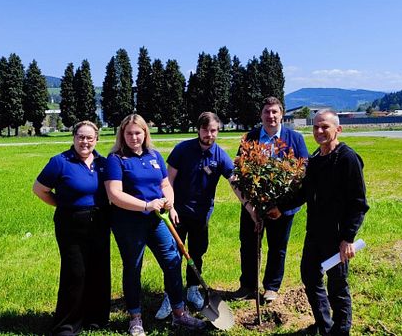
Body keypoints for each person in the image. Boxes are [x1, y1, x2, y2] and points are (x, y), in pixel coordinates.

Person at [104, 114, 206, 335]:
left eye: (138, 132)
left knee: (172, 260)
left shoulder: (154, 155)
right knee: (133, 267)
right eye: (129, 133)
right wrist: (145, 205)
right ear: (122, 134)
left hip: (157, 220)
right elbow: (114, 194)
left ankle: (179, 314)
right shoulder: (116, 159)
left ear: (145, 133)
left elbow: (165, 183)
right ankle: (135, 318)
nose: (134, 137)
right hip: (129, 222)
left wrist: (169, 200)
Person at [276, 109, 369, 335]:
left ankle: (340, 330)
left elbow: (358, 203)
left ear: (338, 129)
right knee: (309, 275)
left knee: (337, 286)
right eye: (316, 126)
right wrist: (279, 208)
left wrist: (348, 238)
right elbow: (304, 194)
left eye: (325, 126)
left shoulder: (348, 159)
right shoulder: (316, 159)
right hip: (315, 233)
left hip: (337, 237)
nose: (319, 131)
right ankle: (324, 325)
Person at [32, 120, 110, 336]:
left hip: (101, 222)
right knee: (75, 273)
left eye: (89, 138)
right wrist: (64, 204)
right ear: (74, 138)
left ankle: (96, 319)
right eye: (80, 137)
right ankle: (67, 325)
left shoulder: (103, 163)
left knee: (99, 271)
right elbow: (39, 190)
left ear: (96, 140)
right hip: (71, 224)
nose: (85, 141)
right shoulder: (60, 162)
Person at [153, 112, 235, 319]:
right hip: (177, 212)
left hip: (201, 214)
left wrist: (251, 207)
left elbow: (234, 182)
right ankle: (170, 295)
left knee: (197, 253)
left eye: (214, 130)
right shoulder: (183, 149)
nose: (209, 134)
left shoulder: (219, 156)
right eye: (206, 130)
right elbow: (167, 180)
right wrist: (170, 207)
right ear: (198, 129)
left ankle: (191, 289)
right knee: (173, 256)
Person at [230, 96, 309, 303]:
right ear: (261, 115)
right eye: (267, 112)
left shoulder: (295, 139)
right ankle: (248, 286)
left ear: (282, 114)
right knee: (248, 245)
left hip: (282, 208)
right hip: (253, 206)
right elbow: (239, 172)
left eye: (275, 112)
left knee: (277, 247)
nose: (271, 116)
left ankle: (271, 287)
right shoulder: (250, 138)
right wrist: (250, 207)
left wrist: (282, 206)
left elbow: (303, 173)